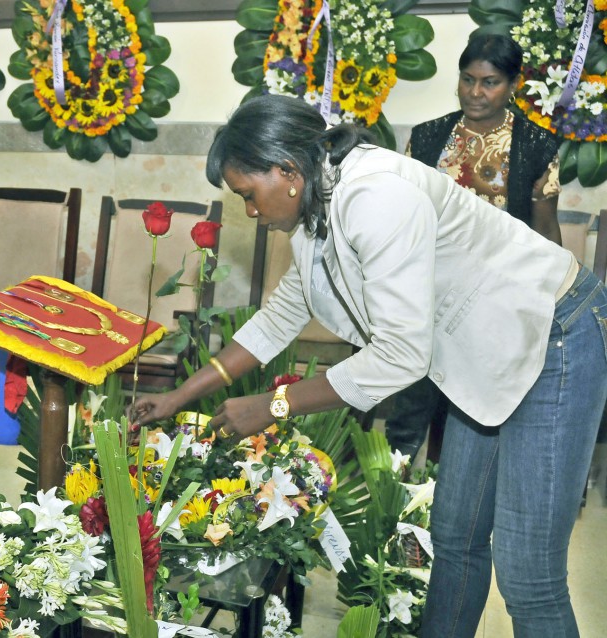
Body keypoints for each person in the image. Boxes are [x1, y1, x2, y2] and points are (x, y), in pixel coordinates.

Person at [129, 94, 606, 637]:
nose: (251, 212)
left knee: (527, 572)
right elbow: (284, 312)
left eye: (248, 195)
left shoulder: (376, 195)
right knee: (455, 540)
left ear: (287, 170)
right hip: (485, 354)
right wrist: (179, 397)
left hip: (553, 333)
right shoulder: (315, 203)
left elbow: (400, 355)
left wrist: (274, 405)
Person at [384, 32, 564, 463]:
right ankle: (389, 502)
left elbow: (544, 234)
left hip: (492, 302)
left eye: (490, 82)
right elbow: (404, 218)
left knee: (465, 417)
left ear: (513, 84)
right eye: (468, 79)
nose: (476, 92)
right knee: (409, 408)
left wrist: (550, 297)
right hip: (426, 293)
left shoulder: (537, 147)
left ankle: (444, 510)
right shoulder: (427, 139)